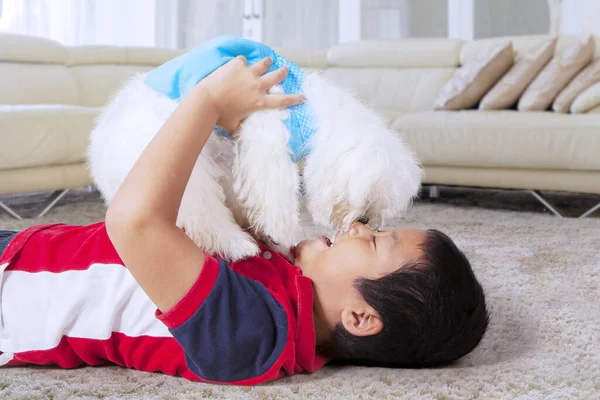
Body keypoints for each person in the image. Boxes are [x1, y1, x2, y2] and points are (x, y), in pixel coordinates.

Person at [0, 55, 489, 385]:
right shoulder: (286, 287)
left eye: (377, 241)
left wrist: (207, 101)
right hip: (23, 250)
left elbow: (134, 223)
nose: (360, 227)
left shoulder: (253, 333)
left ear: (360, 318)